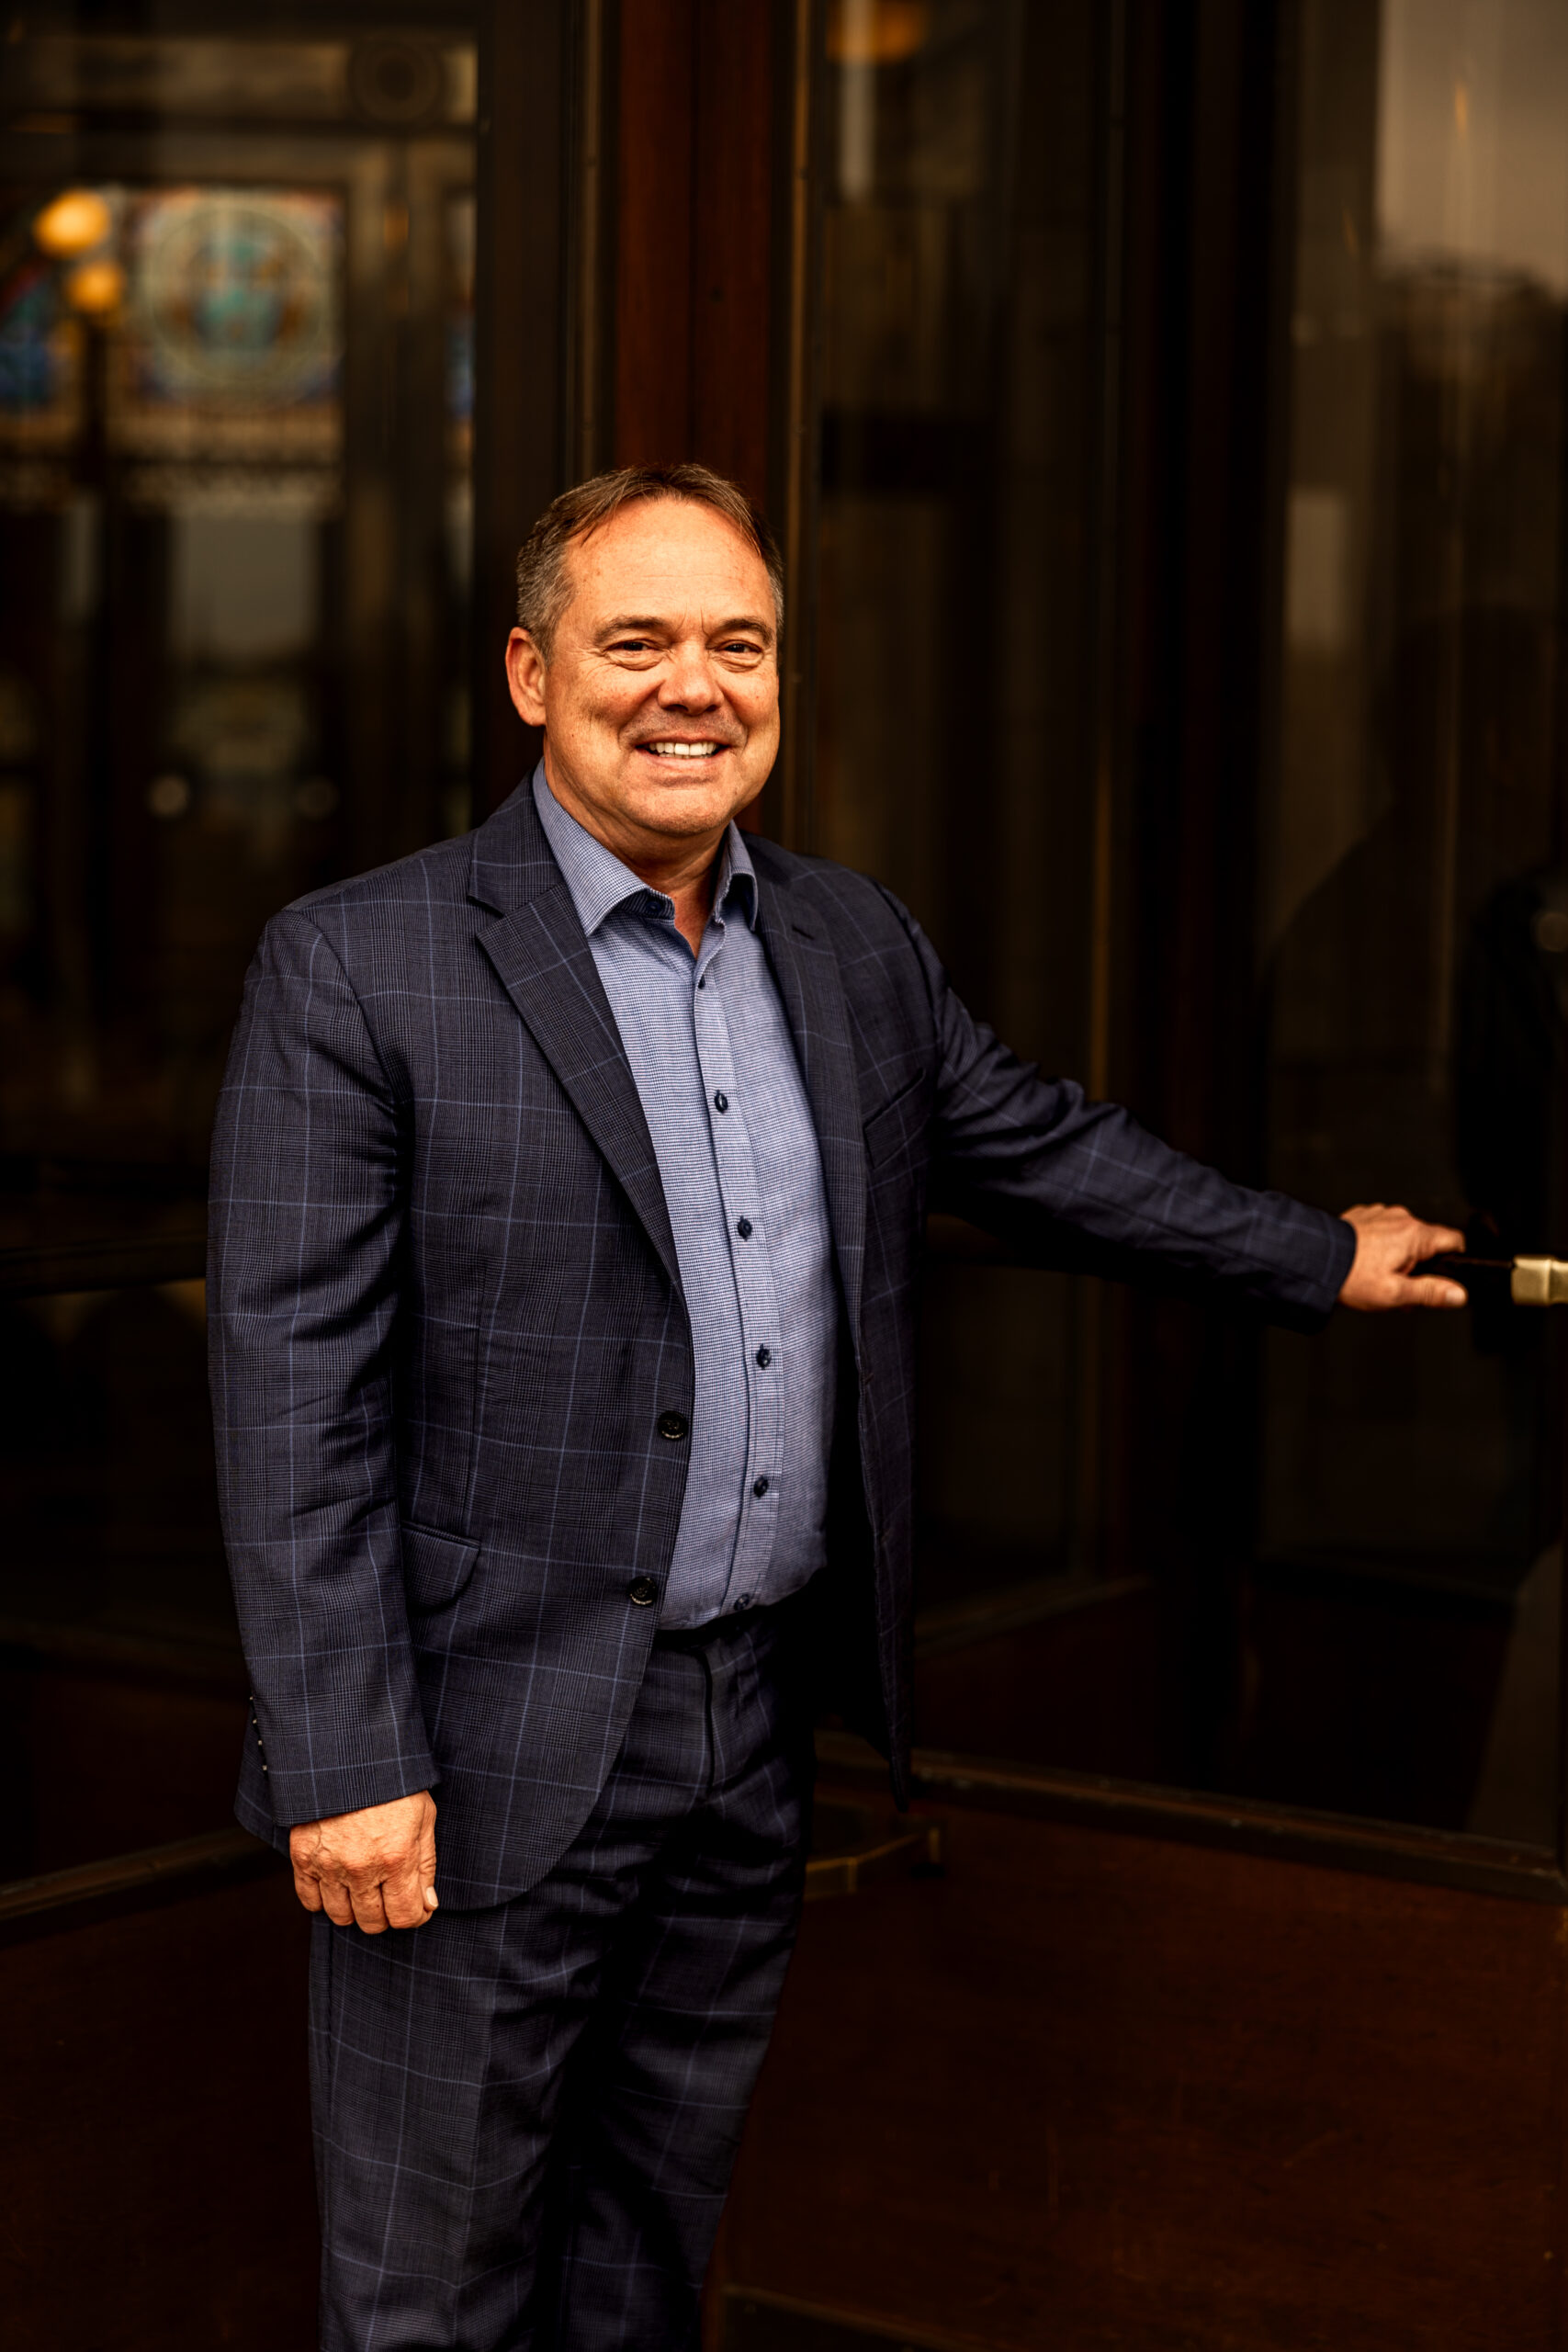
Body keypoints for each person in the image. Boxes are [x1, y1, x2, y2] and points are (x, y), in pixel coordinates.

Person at [209, 463, 1466, 2351]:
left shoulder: (849, 939)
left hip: (743, 1726)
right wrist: (346, 1757)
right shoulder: (361, 962)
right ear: (530, 675)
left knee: (642, 2259)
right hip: (470, 1750)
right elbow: (290, 1386)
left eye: (740, 643)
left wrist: (1306, 1253)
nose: (691, 686)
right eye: (635, 641)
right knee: (429, 2301)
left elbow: (1041, 1145)